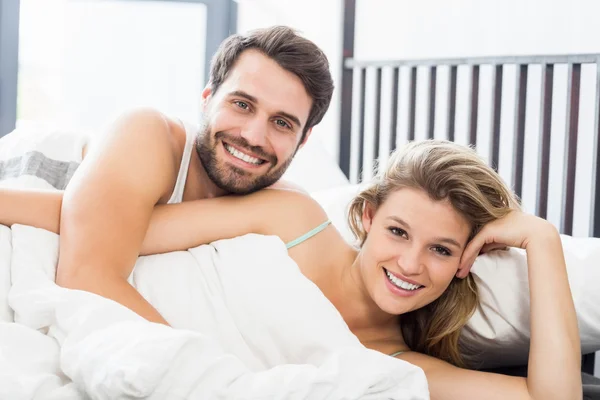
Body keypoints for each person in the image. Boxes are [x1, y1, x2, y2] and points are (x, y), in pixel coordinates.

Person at [0, 140, 582, 399]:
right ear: (368, 216)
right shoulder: (294, 217)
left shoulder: (392, 370)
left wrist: (542, 240)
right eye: (398, 232)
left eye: (440, 249)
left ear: (466, 261)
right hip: (47, 277)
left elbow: (551, 399)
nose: (409, 264)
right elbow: (110, 230)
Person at [0, 25, 334, 326]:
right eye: (242, 105)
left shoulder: (282, 205)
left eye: (282, 123)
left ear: (303, 139)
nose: (254, 137)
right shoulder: (148, 134)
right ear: (207, 100)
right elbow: (87, 277)